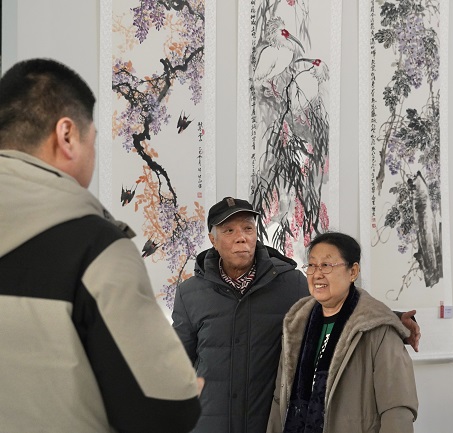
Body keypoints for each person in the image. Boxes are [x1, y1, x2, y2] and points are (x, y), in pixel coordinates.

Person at [0, 58, 201, 433]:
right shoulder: (95, 248)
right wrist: (186, 389)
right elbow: (166, 409)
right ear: (66, 135)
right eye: (93, 141)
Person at [173, 197, 421, 433]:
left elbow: (337, 304)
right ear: (213, 240)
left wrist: (393, 318)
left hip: (266, 422)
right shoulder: (189, 293)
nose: (241, 238)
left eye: (248, 228)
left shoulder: (288, 282)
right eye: (229, 231)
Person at [266, 232, 418, 433]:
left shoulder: (378, 330)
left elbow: (397, 409)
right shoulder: (296, 325)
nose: (317, 274)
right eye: (312, 265)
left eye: (326, 265)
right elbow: (280, 400)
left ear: (353, 271)